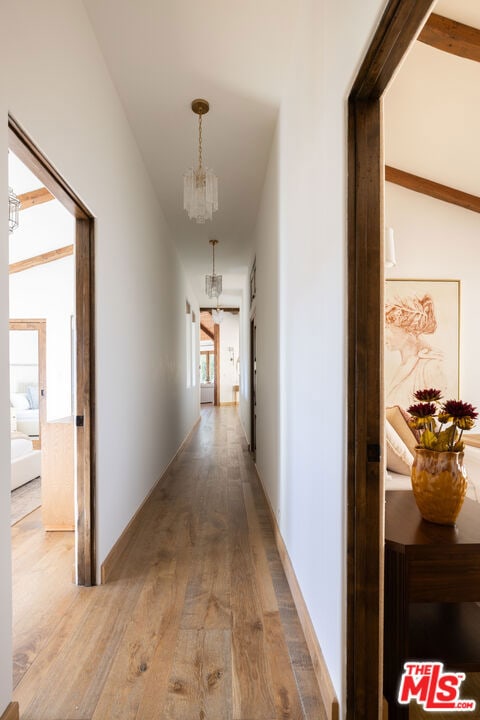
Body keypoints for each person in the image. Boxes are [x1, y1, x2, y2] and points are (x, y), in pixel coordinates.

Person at [385, 293, 447, 409]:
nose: (384, 335)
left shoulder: (430, 367)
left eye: (388, 328)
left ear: (408, 329)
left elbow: (437, 417)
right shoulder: (396, 367)